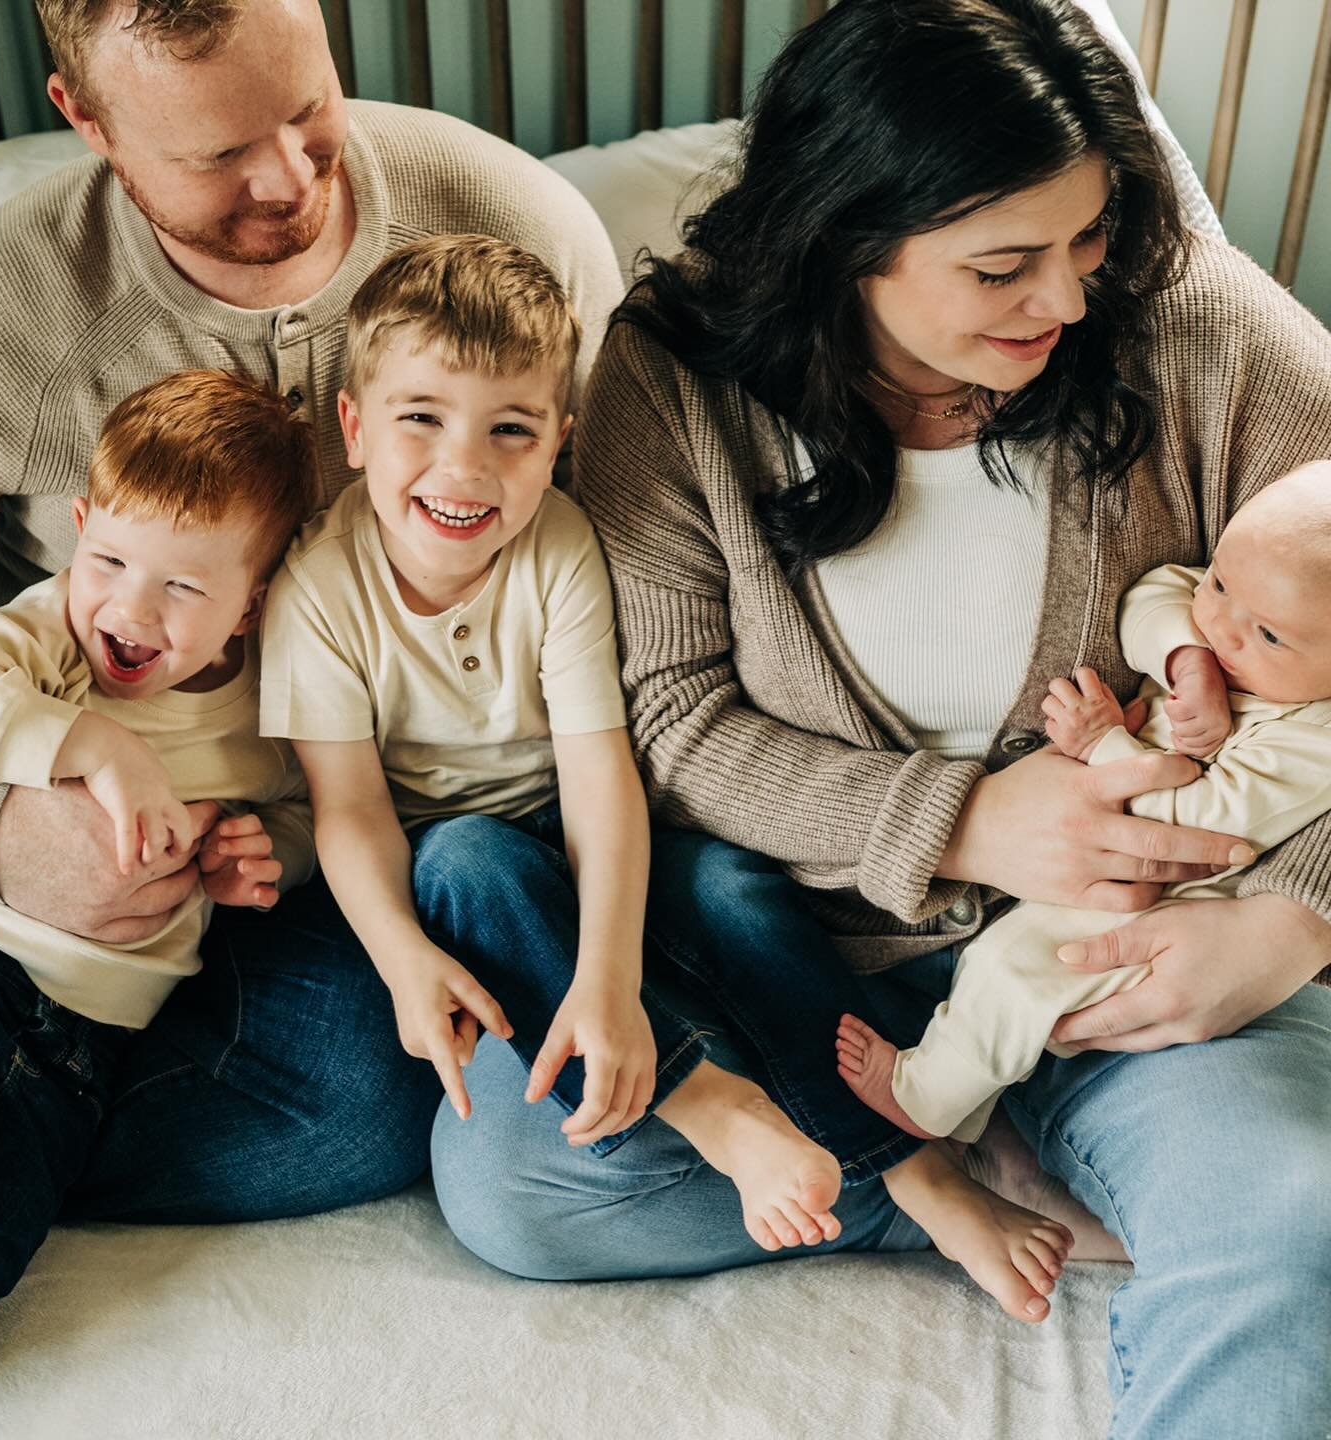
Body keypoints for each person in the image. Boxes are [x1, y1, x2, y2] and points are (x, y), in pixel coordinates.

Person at [426, 2, 1331, 1433]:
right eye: (1004, 265)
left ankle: (1067, 1166)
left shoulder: (1203, 334)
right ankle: (941, 1189)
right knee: (516, 1186)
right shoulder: (674, 382)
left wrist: (1295, 912)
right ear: (851, 236)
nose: (1068, 301)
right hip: (808, 961)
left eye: (1089, 244)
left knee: (1291, 1221)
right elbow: (666, 720)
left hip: (1138, 956)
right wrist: (965, 824)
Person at [0, 0, 622, 1226]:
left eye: (307, 110)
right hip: (24, 808)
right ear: (87, 120)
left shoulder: (517, 230)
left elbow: (636, 568)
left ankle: (1, 1139)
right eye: (215, 154)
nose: (288, 179)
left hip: (304, 857)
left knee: (382, 1095)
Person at [264, 232, 995, 1256]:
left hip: (589, 831)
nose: (463, 467)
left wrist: (608, 978)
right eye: (419, 419)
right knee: (469, 859)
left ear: (561, 440)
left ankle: (911, 1159)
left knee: (732, 889)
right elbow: (349, 810)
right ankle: (714, 1108)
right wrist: (401, 961)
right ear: (353, 426)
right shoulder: (318, 591)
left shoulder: (557, 543)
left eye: (510, 430)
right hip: (458, 875)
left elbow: (598, 775)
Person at [0, 369, 316, 1390]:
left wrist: (267, 855)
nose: (129, 607)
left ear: (252, 605)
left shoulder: (277, 705)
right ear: (79, 526)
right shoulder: (48, 633)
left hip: (89, 1048)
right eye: (110, 559)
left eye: (182, 587)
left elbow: (308, 810)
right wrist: (91, 744)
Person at [837, 463, 1331, 1143]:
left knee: (1015, 974)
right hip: (1097, 868)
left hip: (1168, 902)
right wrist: (1186, 659)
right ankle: (975, 1116)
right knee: (1003, 974)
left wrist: (1104, 745)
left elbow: (1204, 823)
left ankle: (924, 1100)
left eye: (1269, 635)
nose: (1222, 626)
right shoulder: (1237, 612)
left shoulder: (1314, 741)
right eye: (1219, 582)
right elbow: (1156, 593)